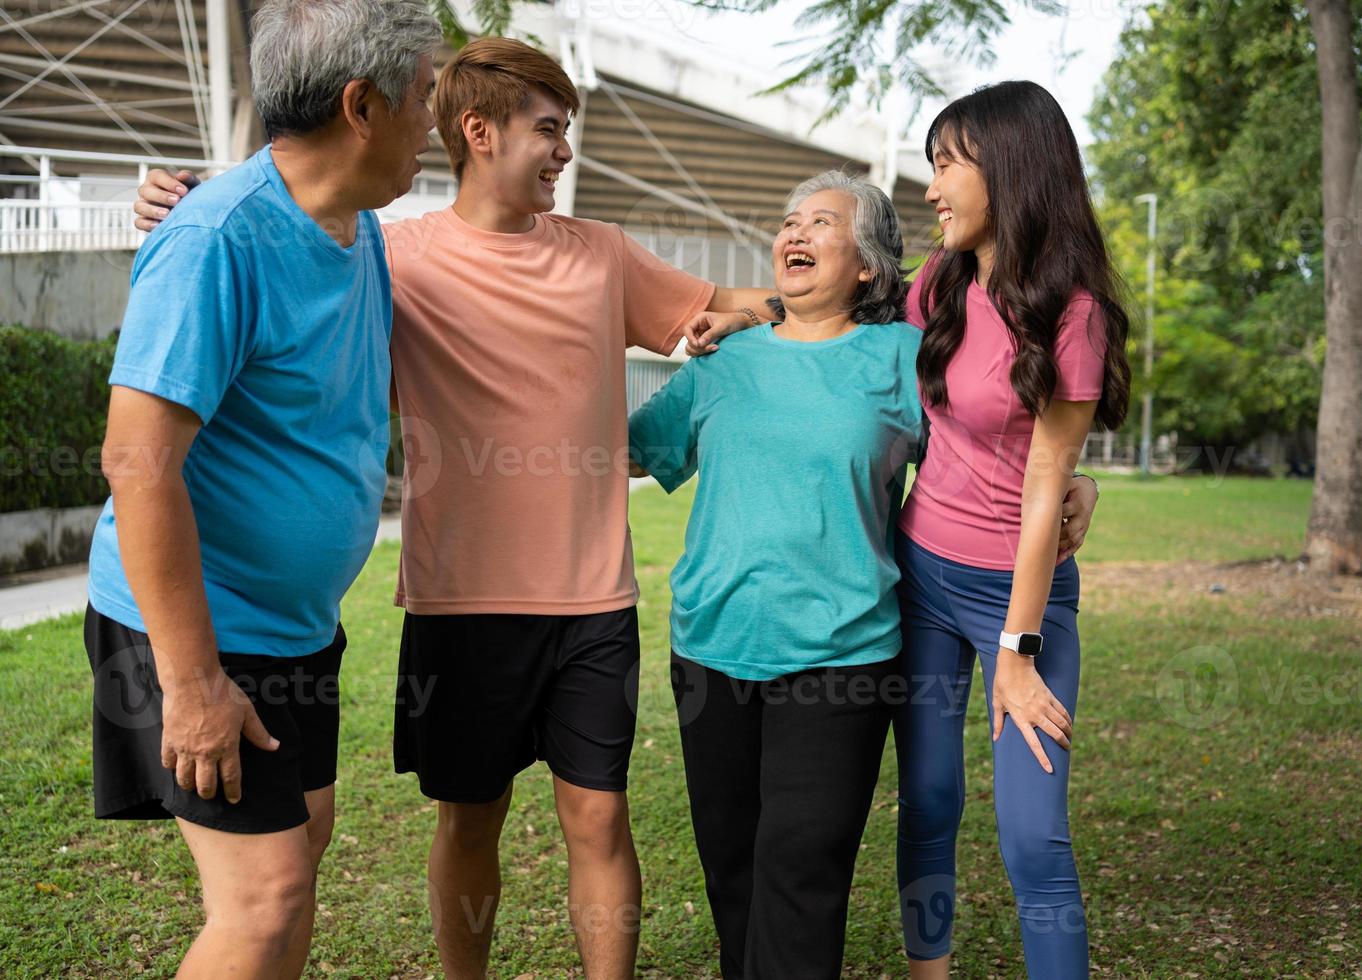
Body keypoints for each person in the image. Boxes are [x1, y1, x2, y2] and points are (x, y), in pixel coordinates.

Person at [133, 37, 780, 980]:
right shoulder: (393, 258)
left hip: (592, 601)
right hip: (461, 605)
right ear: (479, 132)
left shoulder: (602, 256)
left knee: (599, 815)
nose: (564, 151)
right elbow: (281, 230)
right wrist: (180, 199)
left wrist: (820, 300)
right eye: (550, 130)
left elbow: (731, 304)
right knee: (469, 820)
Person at [685, 81, 1127, 979]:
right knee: (927, 799)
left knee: (1032, 834)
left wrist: (1019, 646)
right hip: (922, 578)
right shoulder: (942, 283)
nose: (931, 187)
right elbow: (835, 312)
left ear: (1008, 168)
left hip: (1020, 593)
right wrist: (751, 313)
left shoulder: (1073, 312)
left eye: (947, 164)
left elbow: (1046, 489)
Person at [84, 1, 441, 977]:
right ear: (361, 106)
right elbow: (137, 460)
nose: (436, 125)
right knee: (267, 888)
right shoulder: (217, 238)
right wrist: (192, 682)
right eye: (425, 98)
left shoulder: (352, 223)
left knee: (304, 842)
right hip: (196, 625)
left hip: (290, 629)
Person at [628, 171, 919, 979]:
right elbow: (625, 449)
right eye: (789, 222)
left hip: (843, 657)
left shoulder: (903, 357)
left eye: (821, 223)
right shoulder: (727, 360)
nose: (794, 233)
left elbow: (985, 453)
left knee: (802, 865)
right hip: (712, 647)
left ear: (867, 263)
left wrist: (1075, 478)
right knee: (733, 873)